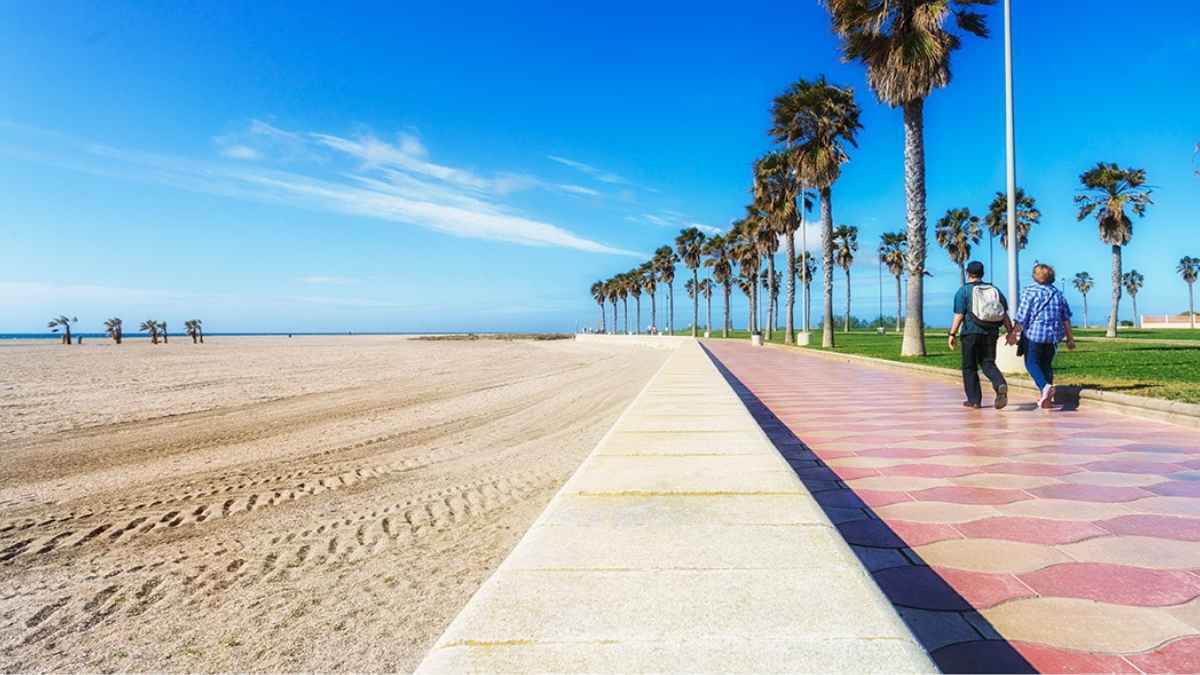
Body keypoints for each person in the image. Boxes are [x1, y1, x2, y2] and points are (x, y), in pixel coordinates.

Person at [949, 261, 1014, 409]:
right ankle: (1000, 383)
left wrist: (952, 334)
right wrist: (1010, 331)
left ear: (968, 273)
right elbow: (1003, 314)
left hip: (970, 333)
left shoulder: (963, 291)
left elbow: (959, 315)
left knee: (969, 367)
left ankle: (974, 400)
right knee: (988, 363)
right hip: (991, 333)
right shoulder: (994, 290)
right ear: (982, 273)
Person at [1009, 263, 1076, 408]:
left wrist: (1013, 333)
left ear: (1035, 276)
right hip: (1052, 337)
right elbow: (1065, 317)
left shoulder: (1030, 291)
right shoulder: (1058, 294)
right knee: (1046, 365)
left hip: (1034, 335)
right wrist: (1070, 338)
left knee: (1031, 363)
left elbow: (1022, 316)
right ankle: (1047, 397)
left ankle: (1045, 388)